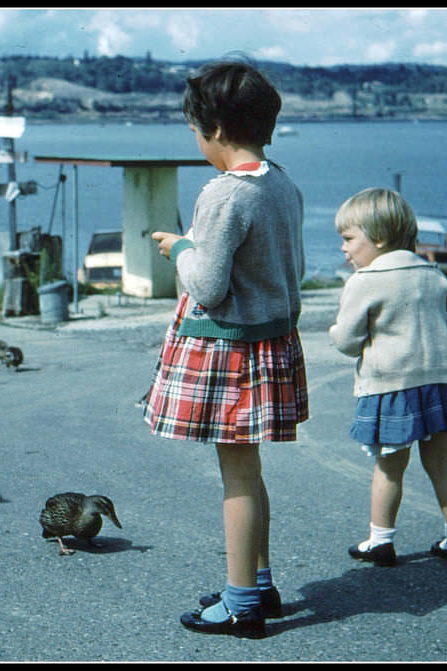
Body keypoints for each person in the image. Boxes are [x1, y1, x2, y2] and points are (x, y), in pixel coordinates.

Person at [143, 59, 307, 639]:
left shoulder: (223, 193)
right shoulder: (282, 182)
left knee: (236, 479)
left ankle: (242, 606)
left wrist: (180, 248)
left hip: (229, 355)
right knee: (249, 471)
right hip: (270, 345)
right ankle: (258, 583)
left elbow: (208, 287)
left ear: (212, 129)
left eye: (194, 131)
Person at [328, 187, 447, 569]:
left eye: (348, 239)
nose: (344, 249)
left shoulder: (363, 281)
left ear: (377, 238)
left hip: (392, 387)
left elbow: (346, 343)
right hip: (443, 385)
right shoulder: (434, 273)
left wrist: (336, 331)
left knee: (389, 468)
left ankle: (380, 542)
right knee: (443, 464)